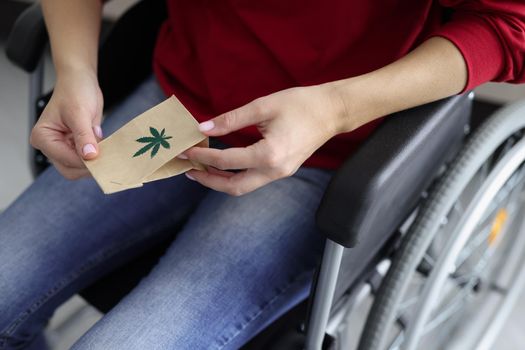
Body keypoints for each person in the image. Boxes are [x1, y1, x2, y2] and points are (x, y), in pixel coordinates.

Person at [1, 0, 524, 349]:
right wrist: (75, 72)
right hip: (179, 100)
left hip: (326, 149)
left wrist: (336, 109)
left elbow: (509, 25)